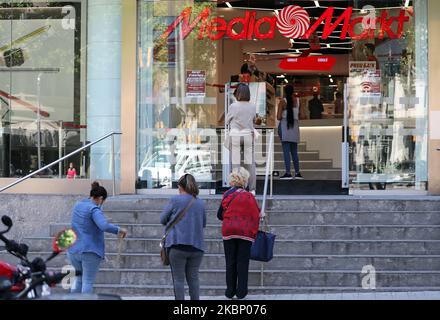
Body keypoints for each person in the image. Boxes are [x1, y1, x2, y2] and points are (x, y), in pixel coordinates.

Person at [67, 182, 127, 294]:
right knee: (87, 282)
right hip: (90, 251)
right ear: (100, 198)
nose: (102, 203)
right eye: (103, 201)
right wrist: (119, 230)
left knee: (78, 279)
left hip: (73, 249)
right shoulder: (94, 209)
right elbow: (103, 225)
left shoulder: (77, 205)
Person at [160, 174, 206, 300]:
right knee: (194, 279)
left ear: (180, 186)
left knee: (178, 279)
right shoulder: (200, 203)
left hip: (177, 245)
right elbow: (203, 223)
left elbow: (162, 219)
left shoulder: (175, 200)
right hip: (197, 246)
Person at [217, 167, 260, 300]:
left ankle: (229, 291)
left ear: (232, 181)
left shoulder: (227, 195)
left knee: (230, 262)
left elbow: (219, 215)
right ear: (245, 180)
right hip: (245, 233)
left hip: (229, 232)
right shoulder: (249, 196)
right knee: (242, 262)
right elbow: (256, 214)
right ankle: (241, 292)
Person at [225, 83, 257, 195]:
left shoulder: (233, 106)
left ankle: (236, 188)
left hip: (236, 136)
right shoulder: (252, 106)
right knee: (250, 163)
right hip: (248, 135)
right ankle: (252, 189)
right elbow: (254, 120)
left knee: (236, 164)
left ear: (237, 93)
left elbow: (227, 120)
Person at [278, 85, 303, 180]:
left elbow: (278, 117)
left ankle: (288, 173)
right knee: (294, 152)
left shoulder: (282, 102)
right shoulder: (298, 101)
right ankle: (297, 173)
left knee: (286, 152)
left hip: (285, 126)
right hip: (295, 127)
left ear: (284, 91)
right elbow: (303, 115)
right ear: (293, 91)